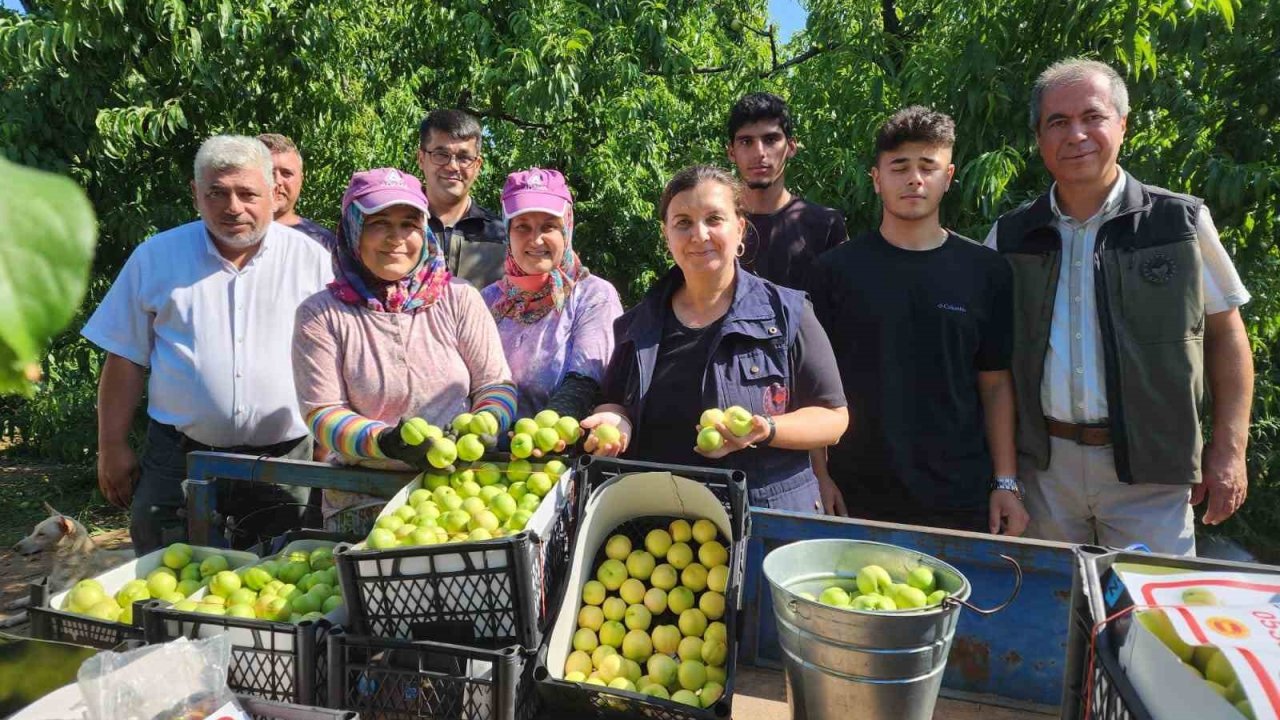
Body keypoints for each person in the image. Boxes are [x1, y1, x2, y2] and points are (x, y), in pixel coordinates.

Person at [985, 59, 1254, 555]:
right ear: (1039, 137)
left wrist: (1228, 450)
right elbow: (990, 362)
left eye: (1093, 117)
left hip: (1151, 471)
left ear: (1123, 124)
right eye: (1058, 122)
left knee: (1149, 624)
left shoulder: (1179, 222)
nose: (1077, 134)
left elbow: (1227, 335)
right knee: (1051, 617)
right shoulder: (1009, 235)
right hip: (1044, 471)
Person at [83, 135, 333, 554]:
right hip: (179, 458)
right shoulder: (156, 257)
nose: (232, 207)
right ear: (195, 194)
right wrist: (110, 446)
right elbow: (125, 356)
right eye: (216, 193)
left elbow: (333, 359)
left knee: (281, 580)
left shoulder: (311, 260)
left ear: (273, 193)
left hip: (286, 460)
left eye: (247, 193)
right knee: (167, 571)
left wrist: (329, 447)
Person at [808, 107, 1029, 535]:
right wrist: (820, 474)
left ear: (948, 176)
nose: (914, 179)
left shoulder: (987, 271)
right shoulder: (832, 272)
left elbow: (996, 383)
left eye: (927, 166)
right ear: (876, 179)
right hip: (855, 491)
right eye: (900, 166)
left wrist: (1006, 483)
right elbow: (815, 386)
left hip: (960, 497)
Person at [584, 165, 849, 512]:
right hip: (661, 529)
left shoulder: (788, 313)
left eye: (714, 219)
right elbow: (616, 401)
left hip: (763, 524)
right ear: (666, 236)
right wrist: (614, 419)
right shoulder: (637, 326)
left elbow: (833, 418)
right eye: (683, 222)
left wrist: (764, 429)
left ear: (740, 228)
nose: (699, 234)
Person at [292, 167, 516, 528]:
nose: (396, 238)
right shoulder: (321, 315)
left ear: (424, 231)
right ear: (353, 230)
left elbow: (496, 385)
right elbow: (322, 414)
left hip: (462, 498)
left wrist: (486, 422)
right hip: (364, 503)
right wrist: (385, 441)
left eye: (409, 224)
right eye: (379, 223)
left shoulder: (459, 299)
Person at [480, 168, 623, 424]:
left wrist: (545, 431)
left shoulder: (592, 295)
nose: (536, 240)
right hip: (485, 454)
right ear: (507, 231)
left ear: (566, 229)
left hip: (560, 452)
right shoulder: (488, 301)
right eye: (522, 226)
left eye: (549, 226)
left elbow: (585, 381)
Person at [726, 92, 847, 290]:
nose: (759, 153)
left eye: (771, 139)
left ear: (791, 147)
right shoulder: (717, 226)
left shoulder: (825, 225)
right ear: (731, 152)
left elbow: (843, 308)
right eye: (746, 142)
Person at [416, 109, 507, 288]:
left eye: (464, 158)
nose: (452, 166)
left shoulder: (500, 236)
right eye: (441, 155)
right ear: (421, 159)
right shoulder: (401, 227)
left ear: (477, 166)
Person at [257, 133, 336, 248]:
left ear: (301, 180)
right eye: (268, 172)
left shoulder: (323, 244)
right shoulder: (227, 240)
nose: (277, 181)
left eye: (286, 173)